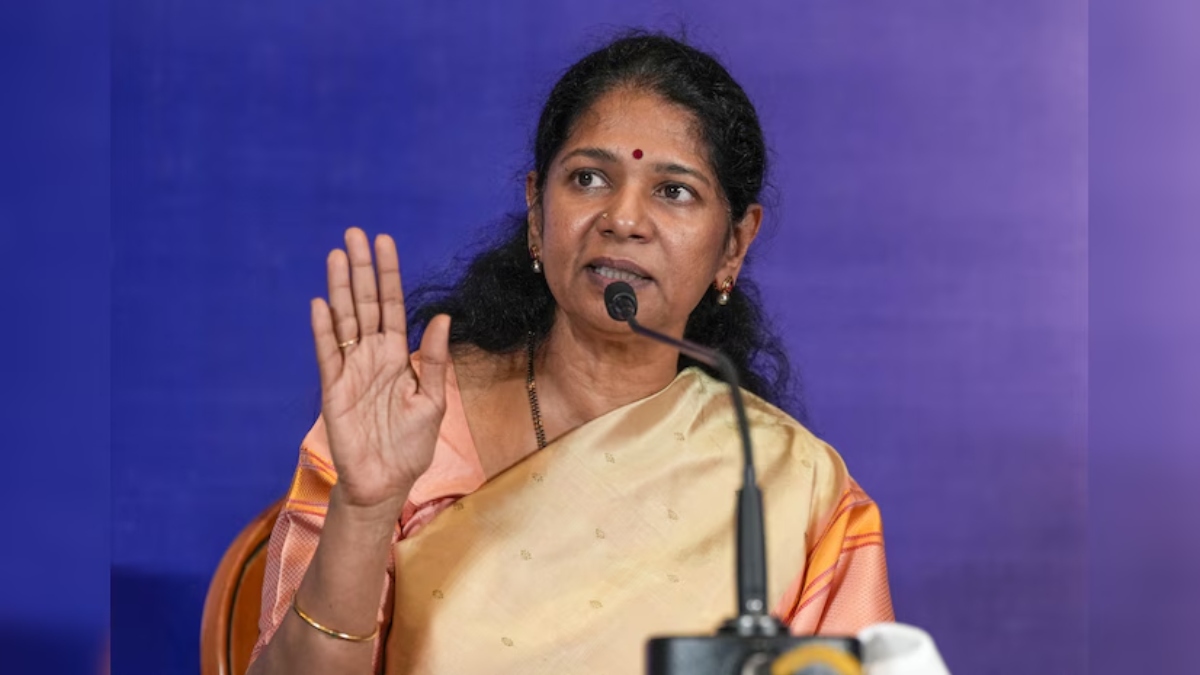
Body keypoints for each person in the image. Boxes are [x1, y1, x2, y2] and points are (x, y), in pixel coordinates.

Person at [247, 32, 893, 675]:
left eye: (673, 191)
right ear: (537, 211)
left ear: (734, 245)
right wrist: (364, 511)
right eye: (589, 178)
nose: (623, 218)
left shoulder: (795, 487)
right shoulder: (407, 418)